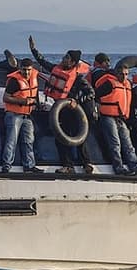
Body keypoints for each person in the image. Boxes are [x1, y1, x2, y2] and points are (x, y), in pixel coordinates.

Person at [29, 35, 95, 174]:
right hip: (59, 111)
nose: (64, 59)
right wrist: (34, 49)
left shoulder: (77, 79)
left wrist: (76, 100)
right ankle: (68, 165)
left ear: (73, 62)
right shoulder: (56, 69)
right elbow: (42, 61)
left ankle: (86, 163)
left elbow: (90, 93)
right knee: (60, 138)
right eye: (65, 57)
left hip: (74, 110)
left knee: (79, 137)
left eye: (67, 58)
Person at [93, 65, 137, 176]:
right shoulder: (109, 84)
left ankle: (136, 167)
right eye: (122, 74)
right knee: (115, 143)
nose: (124, 77)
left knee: (128, 144)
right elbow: (95, 95)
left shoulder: (128, 85)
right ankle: (118, 167)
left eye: (126, 74)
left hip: (121, 118)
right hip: (108, 116)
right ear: (116, 74)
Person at [1, 58, 42, 173]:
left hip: (27, 115)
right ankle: (7, 166)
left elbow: (35, 92)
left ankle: (29, 165)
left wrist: (37, 104)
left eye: (29, 70)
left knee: (29, 141)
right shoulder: (14, 81)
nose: (27, 73)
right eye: (24, 70)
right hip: (14, 115)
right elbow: (5, 97)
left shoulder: (34, 77)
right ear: (20, 69)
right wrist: (23, 101)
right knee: (11, 141)